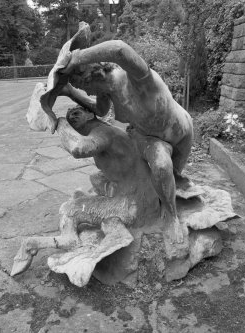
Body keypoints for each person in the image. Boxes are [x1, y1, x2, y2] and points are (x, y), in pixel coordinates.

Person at [43, 40, 193, 255]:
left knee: (173, 179)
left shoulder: (138, 79)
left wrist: (75, 58)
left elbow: (119, 49)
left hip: (182, 132)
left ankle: (165, 203)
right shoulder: (106, 92)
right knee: (160, 166)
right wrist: (69, 92)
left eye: (84, 87)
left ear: (96, 74)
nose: (88, 91)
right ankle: (172, 217)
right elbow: (100, 111)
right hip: (148, 137)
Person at [11, 106, 161, 276]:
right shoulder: (106, 132)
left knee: (71, 209)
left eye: (76, 113)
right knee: (79, 199)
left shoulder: (103, 133)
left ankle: (35, 244)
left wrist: (57, 123)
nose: (71, 118)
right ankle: (70, 238)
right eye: (69, 117)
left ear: (90, 114)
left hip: (133, 205)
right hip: (138, 200)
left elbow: (78, 148)